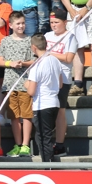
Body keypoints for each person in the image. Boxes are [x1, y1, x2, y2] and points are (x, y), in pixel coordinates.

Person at [0, 11, 36, 157]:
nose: (21, 26)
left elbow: (35, 60)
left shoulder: (29, 40)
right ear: (11, 25)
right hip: (10, 83)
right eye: (18, 23)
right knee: (14, 115)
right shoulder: (6, 41)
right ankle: (18, 144)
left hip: (25, 83)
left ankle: (26, 145)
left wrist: (23, 63)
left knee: (26, 115)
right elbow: (0, 61)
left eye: (23, 23)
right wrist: (11, 63)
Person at [45, 8, 78, 156]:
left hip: (63, 78)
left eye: (56, 22)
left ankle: (59, 144)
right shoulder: (47, 36)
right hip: (47, 78)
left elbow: (68, 58)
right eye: (51, 22)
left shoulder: (71, 38)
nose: (53, 25)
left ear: (65, 22)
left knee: (60, 111)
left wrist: (49, 53)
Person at [25, 34, 62, 163]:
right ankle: (48, 163)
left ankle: (48, 165)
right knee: (44, 135)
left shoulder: (37, 66)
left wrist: (26, 84)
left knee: (42, 137)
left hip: (42, 105)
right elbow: (60, 83)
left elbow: (31, 91)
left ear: (33, 47)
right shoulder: (55, 60)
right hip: (54, 103)